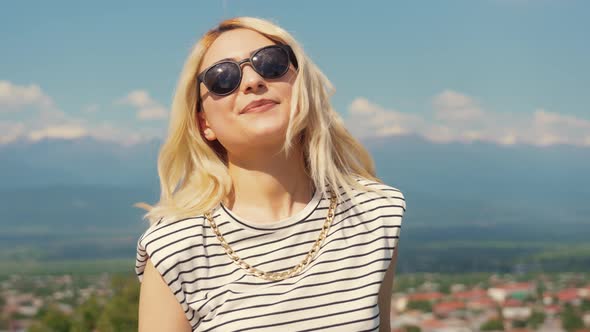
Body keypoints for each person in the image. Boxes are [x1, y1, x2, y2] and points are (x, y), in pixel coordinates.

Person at [133, 16, 407, 332]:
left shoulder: (376, 213)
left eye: (271, 63)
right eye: (223, 78)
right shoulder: (175, 247)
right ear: (203, 123)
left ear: (303, 86)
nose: (252, 81)